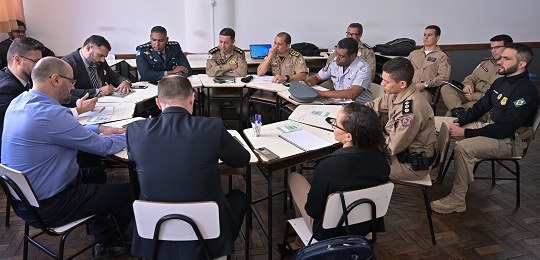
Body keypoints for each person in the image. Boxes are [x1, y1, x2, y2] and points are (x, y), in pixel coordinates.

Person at [1, 57, 133, 256]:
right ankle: (110, 242)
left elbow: (61, 129)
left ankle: (102, 231)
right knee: (132, 191)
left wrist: (98, 127)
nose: (73, 88)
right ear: (55, 79)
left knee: (96, 175)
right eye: (71, 81)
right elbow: (103, 148)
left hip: (26, 201)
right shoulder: (52, 114)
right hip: (52, 205)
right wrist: (134, 135)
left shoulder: (20, 102)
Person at [127, 75, 249, 259]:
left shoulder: (135, 131)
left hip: (153, 236)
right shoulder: (212, 127)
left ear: (158, 103)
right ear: (192, 97)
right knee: (238, 197)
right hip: (207, 235)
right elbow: (242, 159)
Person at [431, 43, 539, 214]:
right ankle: (433, 170)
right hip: (491, 127)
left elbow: (505, 129)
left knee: (463, 148)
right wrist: (460, 122)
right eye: (501, 57)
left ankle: (457, 200)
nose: (499, 61)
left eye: (506, 58)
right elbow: (479, 109)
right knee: (435, 123)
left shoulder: (525, 92)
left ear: (522, 64)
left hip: (511, 140)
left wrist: (466, 133)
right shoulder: (500, 82)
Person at [287, 103, 390, 247]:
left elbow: (313, 210)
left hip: (328, 231)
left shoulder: (328, 165)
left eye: (336, 124)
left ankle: (300, 243)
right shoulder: (382, 159)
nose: (334, 127)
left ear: (348, 137)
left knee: (294, 177)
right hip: (366, 225)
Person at [0, 37, 97, 155]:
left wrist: (77, 102)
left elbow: (52, 95)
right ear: (18, 60)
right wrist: (77, 110)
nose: (40, 66)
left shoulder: (26, 79)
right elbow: (40, 120)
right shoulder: (7, 88)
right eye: (36, 61)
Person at [365, 57, 437, 181]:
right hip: (399, 153)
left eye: (386, 81)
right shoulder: (396, 93)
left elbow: (390, 147)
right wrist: (352, 113)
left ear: (402, 84)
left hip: (409, 165)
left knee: (358, 167)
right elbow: (372, 106)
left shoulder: (411, 111)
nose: (382, 84)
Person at [441, 34, 513, 117]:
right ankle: (458, 112)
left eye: (497, 47)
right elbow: (471, 78)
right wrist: (468, 85)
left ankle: (458, 114)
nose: (493, 50)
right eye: (492, 48)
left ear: (508, 48)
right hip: (471, 93)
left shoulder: (510, 68)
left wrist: (474, 96)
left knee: (449, 114)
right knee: (446, 88)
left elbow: (499, 96)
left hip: (485, 101)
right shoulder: (486, 62)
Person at [305, 37, 372, 104]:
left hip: (358, 106)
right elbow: (317, 77)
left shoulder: (363, 68)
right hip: (339, 102)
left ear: (352, 56)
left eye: (342, 56)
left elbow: (352, 94)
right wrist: (306, 83)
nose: (337, 58)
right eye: (337, 54)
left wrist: (319, 93)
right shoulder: (335, 63)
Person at [62, 35, 132, 98]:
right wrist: (98, 91)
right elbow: (68, 91)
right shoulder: (68, 63)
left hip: (106, 102)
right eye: (100, 55)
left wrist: (124, 82)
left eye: (104, 57)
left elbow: (114, 77)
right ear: (88, 48)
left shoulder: (100, 61)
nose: (103, 60)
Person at [407, 25, 451, 103]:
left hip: (426, 91)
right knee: (389, 98)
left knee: (411, 104)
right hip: (408, 87)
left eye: (429, 35)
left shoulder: (442, 57)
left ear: (437, 38)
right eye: (424, 35)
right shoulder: (414, 54)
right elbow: (403, 70)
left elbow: (443, 78)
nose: (425, 37)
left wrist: (425, 84)